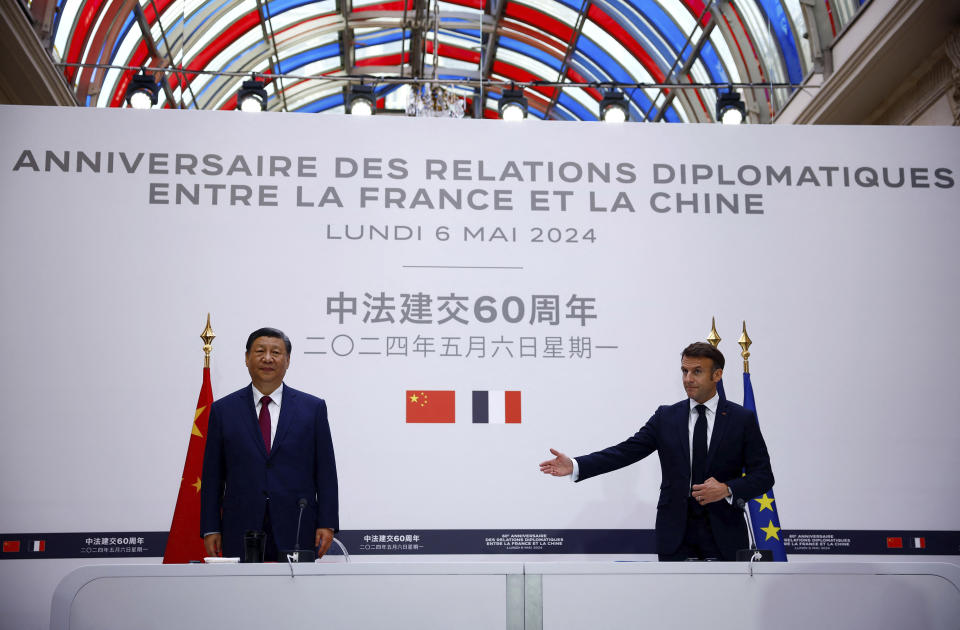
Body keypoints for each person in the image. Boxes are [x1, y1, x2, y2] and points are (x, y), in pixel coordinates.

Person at [539, 342, 773, 560]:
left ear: (717, 375)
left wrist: (727, 489)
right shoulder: (666, 417)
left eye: (697, 372)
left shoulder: (741, 419)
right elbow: (626, 451)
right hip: (675, 535)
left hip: (725, 534)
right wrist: (576, 465)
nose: (688, 379)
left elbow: (763, 475)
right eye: (684, 371)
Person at [201, 327, 338, 560]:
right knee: (244, 593)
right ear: (246, 358)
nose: (267, 358)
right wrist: (211, 526)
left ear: (287, 360)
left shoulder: (312, 408)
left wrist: (327, 522)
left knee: (296, 593)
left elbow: (325, 471)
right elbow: (213, 475)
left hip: (297, 522)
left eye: (276, 352)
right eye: (260, 351)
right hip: (241, 524)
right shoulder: (223, 410)